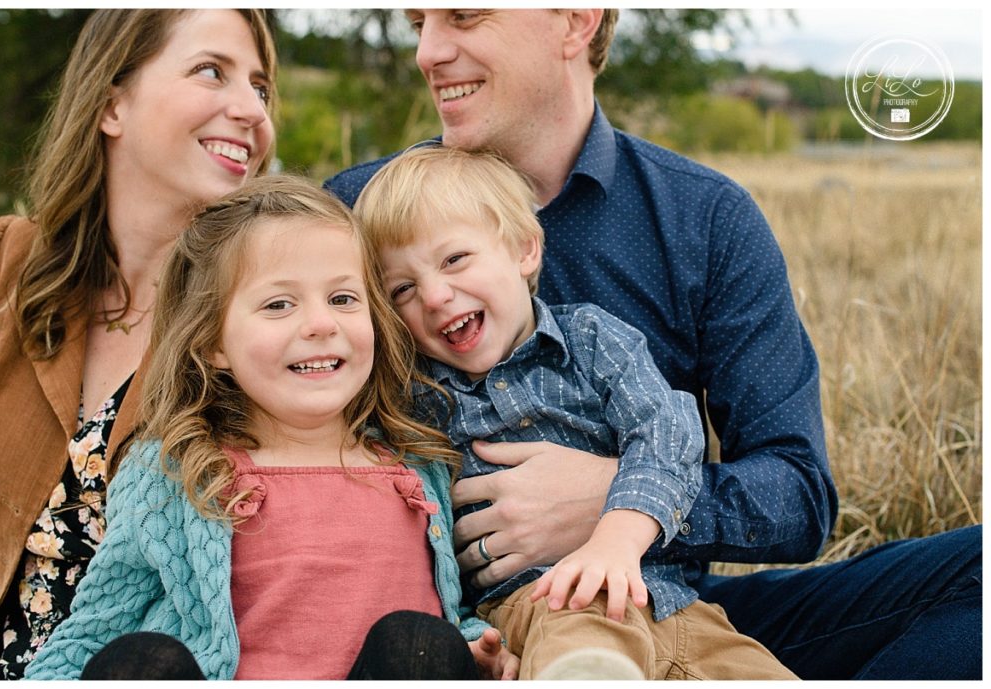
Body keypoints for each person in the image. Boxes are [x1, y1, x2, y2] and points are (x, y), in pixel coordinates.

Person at [325, 9, 982, 680]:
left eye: (463, 15)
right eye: (419, 24)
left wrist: (617, 498)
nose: (428, 51)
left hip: (673, 599)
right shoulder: (352, 213)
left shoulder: (702, 216)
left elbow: (798, 493)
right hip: (486, 622)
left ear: (576, 21)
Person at [23, 175, 519, 680]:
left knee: (420, 640)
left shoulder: (416, 464)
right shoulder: (178, 472)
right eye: (279, 304)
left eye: (343, 299)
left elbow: (444, 608)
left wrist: (473, 647)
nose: (321, 324)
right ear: (213, 341)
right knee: (140, 658)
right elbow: (96, 628)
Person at [354, 144, 799, 680]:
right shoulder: (416, 400)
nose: (434, 295)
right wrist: (469, 633)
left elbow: (667, 431)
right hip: (546, 605)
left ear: (524, 250)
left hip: (670, 601)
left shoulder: (593, 341)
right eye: (403, 288)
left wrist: (618, 535)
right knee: (583, 658)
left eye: (454, 260)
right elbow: (413, 539)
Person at [0, 9, 279, 679]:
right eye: (212, 71)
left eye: (259, 88)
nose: (252, 111)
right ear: (113, 105)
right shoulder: (1, 269)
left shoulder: (263, 326)